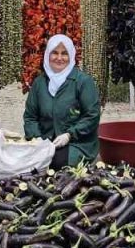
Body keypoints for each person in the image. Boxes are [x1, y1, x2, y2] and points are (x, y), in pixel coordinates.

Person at [23, 34, 102, 168]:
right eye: (55, 53)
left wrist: (70, 134)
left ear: (71, 56)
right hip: (44, 141)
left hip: (77, 143)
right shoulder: (40, 83)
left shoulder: (82, 82)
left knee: (55, 163)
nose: (59, 58)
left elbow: (92, 116)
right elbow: (30, 117)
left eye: (64, 54)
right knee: (23, 161)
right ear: (48, 55)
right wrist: (37, 139)